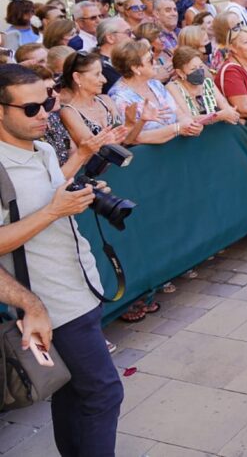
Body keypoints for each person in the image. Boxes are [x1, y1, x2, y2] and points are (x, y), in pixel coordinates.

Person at [0, 63, 126, 456]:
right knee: (103, 393)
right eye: (31, 109)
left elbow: (49, 199)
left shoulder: (41, 149)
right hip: (50, 305)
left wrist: (79, 194)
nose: (46, 114)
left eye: (49, 102)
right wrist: (54, 211)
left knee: (73, 395)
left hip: (81, 288)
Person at [109, 40, 202, 144]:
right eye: (150, 60)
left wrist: (190, 125)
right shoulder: (119, 97)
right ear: (135, 68)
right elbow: (134, 138)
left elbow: (179, 113)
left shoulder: (155, 84)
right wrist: (176, 129)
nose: (155, 63)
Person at [167, 47, 240, 125]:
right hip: (195, 133)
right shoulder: (173, 87)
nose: (199, 71)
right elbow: (188, 119)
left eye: (201, 67)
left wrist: (231, 113)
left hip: (215, 127)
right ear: (180, 72)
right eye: (193, 69)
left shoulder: (207, 82)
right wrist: (219, 116)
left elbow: (224, 105)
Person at [95, 17, 132, 94]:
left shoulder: (120, 60)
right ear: (110, 38)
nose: (132, 37)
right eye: (128, 33)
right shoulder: (101, 66)